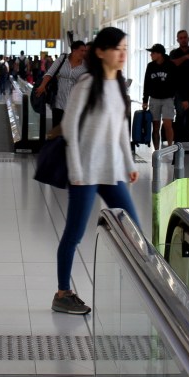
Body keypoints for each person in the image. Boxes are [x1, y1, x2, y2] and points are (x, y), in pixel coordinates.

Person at [52, 27, 140, 315]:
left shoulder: (118, 85)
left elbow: (120, 130)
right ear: (101, 51)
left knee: (133, 228)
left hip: (110, 170)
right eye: (118, 48)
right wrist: (76, 171)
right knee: (75, 233)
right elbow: (68, 127)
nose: (123, 54)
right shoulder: (87, 84)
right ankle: (63, 292)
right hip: (87, 172)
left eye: (125, 48)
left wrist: (129, 164)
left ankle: (144, 287)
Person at [35, 40, 88, 128]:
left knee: (71, 129)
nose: (84, 53)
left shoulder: (85, 65)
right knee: (57, 128)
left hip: (75, 103)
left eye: (85, 51)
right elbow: (50, 73)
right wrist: (42, 85)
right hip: (58, 101)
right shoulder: (63, 60)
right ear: (74, 50)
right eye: (82, 50)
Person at [169, 30, 189, 143]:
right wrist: (186, 57)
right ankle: (178, 142)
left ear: (188, 39)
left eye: (185, 37)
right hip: (179, 90)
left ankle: (187, 142)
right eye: (180, 38)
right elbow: (172, 64)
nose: (183, 39)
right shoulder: (174, 53)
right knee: (180, 116)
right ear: (178, 40)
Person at [142, 44, 176, 148]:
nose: (151, 55)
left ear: (159, 54)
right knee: (155, 126)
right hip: (154, 99)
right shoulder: (150, 66)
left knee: (167, 124)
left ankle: (170, 148)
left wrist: (174, 96)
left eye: (153, 53)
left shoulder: (170, 65)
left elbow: (176, 82)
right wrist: (145, 100)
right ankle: (156, 150)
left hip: (168, 99)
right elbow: (147, 83)